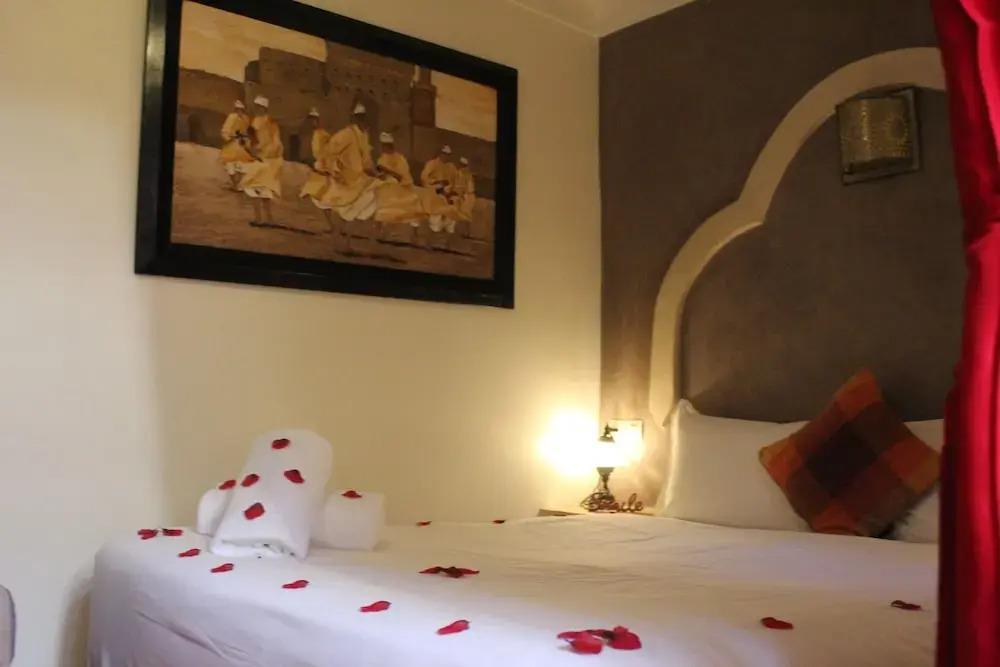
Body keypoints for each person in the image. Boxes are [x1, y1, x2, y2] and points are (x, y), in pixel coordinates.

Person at [318, 102, 378, 225]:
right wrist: (332, 169)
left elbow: (366, 160)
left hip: (359, 178)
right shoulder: (346, 134)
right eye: (361, 118)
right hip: (344, 177)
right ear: (356, 119)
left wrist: (374, 173)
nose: (364, 122)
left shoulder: (364, 135)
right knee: (336, 202)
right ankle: (335, 229)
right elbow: (329, 150)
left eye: (365, 118)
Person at [239, 95, 284, 227]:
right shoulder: (256, 121)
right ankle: (261, 218)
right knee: (256, 189)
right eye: (256, 106)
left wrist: (266, 152)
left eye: (260, 107)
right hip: (260, 159)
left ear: (265, 108)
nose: (258, 109)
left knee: (262, 189)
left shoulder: (270, 122)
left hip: (267, 160)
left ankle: (266, 219)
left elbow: (275, 142)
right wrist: (247, 145)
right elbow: (253, 140)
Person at [374, 131, 425, 228]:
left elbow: (400, 177)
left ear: (391, 146)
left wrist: (387, 171)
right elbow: (381, 175)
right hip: (387, 185)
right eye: (383, 146)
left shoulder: (400, 159)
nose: (384, 148)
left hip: (403, 185)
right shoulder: (381, 159)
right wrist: (381, 175)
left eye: (386, 146)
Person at [298, 108, 335, 231]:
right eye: (310, 120)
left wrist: (325, 168)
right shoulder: (315, 134)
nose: (311, 123)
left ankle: (334, 227)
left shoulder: (323, 135)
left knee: (325, 199)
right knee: (321, 199)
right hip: (319, 169)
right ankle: (332, 226)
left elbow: (328, 152)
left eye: (314, 120)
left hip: (325, 170)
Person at [219, 100, 253, 190]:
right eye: (238, 109)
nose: (239, 111)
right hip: (239, 143)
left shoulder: (235, 117)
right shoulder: (243, 118)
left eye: (240, 109)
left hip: (236, 143)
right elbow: (247, 131)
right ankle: (237, 184)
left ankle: (236, 184)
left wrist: (227, 137)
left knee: (233, 163)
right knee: (237, 164)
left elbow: (226, 129)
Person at [453, 156, 476, 221]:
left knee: (464, 214)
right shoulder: (459, 173)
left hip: (467, 196)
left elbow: (465, 188)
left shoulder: (465, 174)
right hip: (464, 196)